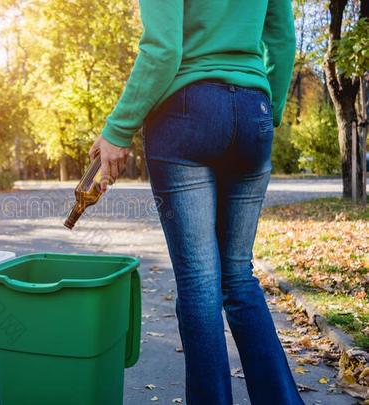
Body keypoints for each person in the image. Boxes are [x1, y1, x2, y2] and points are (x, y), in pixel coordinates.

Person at [89, 1, 302, 404]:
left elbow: (164, 50)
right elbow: (283, 39)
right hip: (253, 108)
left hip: (185, 113)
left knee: (200, 281)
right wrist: (266, 111)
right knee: (238, 276)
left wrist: (118, 129)